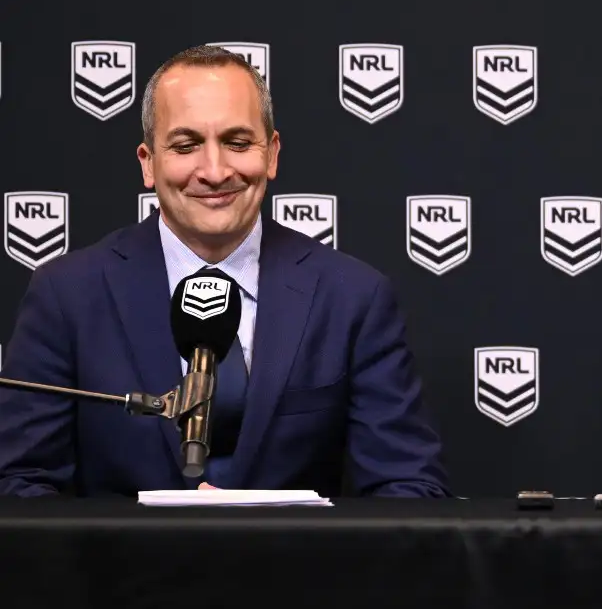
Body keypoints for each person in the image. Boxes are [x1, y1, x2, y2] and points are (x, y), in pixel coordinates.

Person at [0, 45, 450, 498]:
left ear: (272, 155)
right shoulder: (67, 295)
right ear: (148, 163)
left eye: (237, 143)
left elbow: (409, 486)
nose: (214, 172)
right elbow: (19, 483)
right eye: (186, 145)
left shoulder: (353, 297)